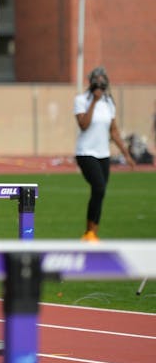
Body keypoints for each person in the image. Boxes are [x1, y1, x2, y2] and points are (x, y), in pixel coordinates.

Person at [74, 66, 135, 241]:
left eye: (102, 80)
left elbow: (113, 131)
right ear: (91, 81)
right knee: (99, 187)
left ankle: (92, 232)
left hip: (103, 154)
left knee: (100, 192)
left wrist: (126, 154)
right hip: (85, 153)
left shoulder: (109, 103)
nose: (99, 83)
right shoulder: (81, 100)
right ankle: (89, 233)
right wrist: (93, 101)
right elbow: (83, 125)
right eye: (96, 80)